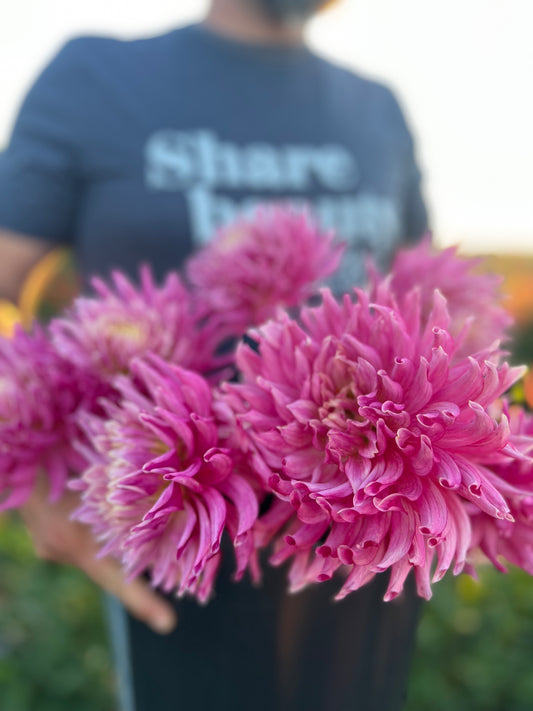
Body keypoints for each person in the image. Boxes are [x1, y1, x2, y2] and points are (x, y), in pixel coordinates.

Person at [0, 1, 429, 709]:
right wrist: (27, 468)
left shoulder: (376, 108)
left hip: (361, 588)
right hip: (176, 554)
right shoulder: (95, 76)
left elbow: (426, 307)